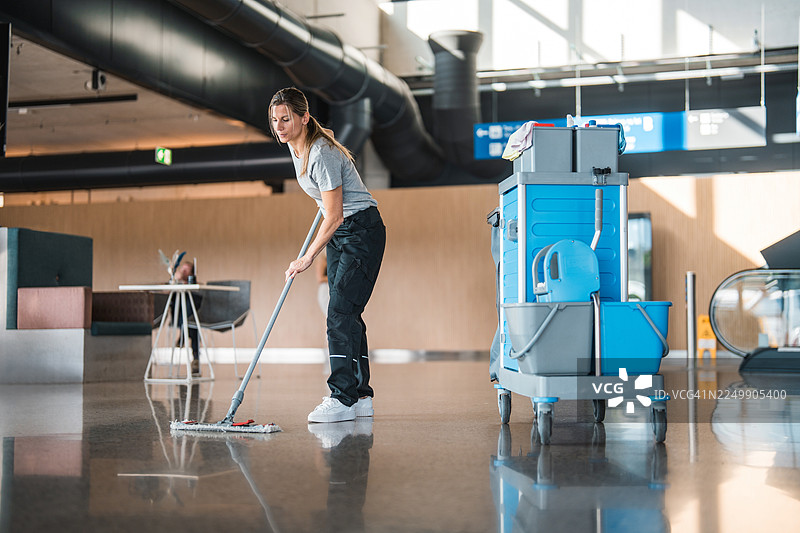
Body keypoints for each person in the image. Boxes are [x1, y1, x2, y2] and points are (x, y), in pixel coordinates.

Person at [269, 87, 386, 424]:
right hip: (344, 234)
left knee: (338, 313)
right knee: (348, 314)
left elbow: (334, 216)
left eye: (286, 119)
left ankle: (342, 397)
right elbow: (328, 203)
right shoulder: (300, 146)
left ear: (304, 118)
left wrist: (306, 257)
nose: (279, 126)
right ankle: (360, 396)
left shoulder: (320, 153)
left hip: (360, 231)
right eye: (275, 120)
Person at [173, 260, 202, 376]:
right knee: (192, 323)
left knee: (190, 308)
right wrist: (176, 281)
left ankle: (183, 335)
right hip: (178, 315)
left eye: (186, 270)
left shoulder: (195, 286)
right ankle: (195, 357)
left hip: (193, 315)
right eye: (182, 269)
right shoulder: (176, 284)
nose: (183, 272)